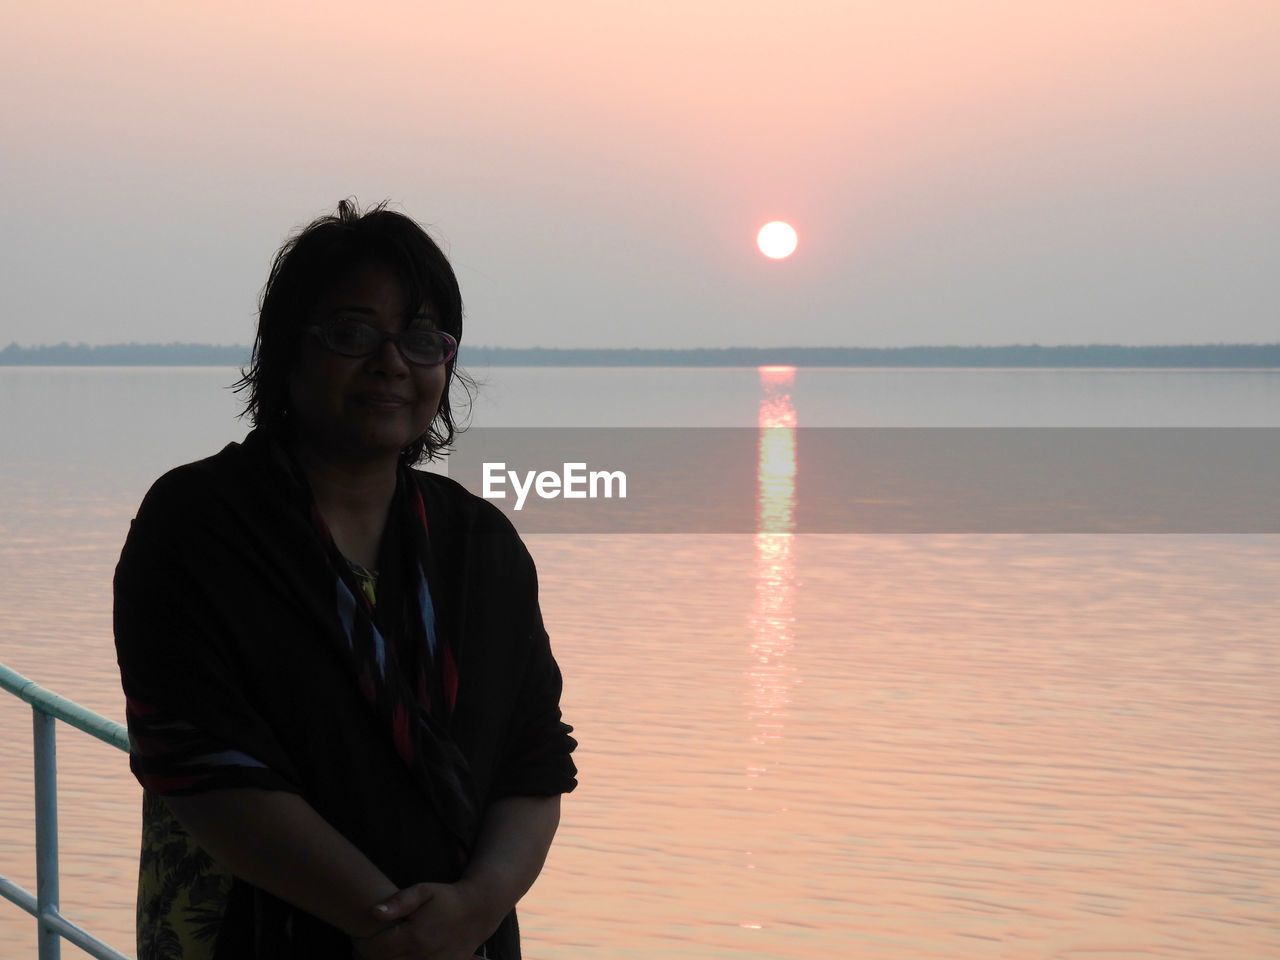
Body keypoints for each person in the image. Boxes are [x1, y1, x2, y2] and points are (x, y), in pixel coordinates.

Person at [114, 200, 577, 960]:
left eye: (422, 339)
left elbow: (535, 759)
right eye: (353, 333)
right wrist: (388, 926)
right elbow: (199, 761)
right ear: (287, 350)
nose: (392, 362)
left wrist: (471, 911)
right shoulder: (197, 526)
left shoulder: (481, 545)